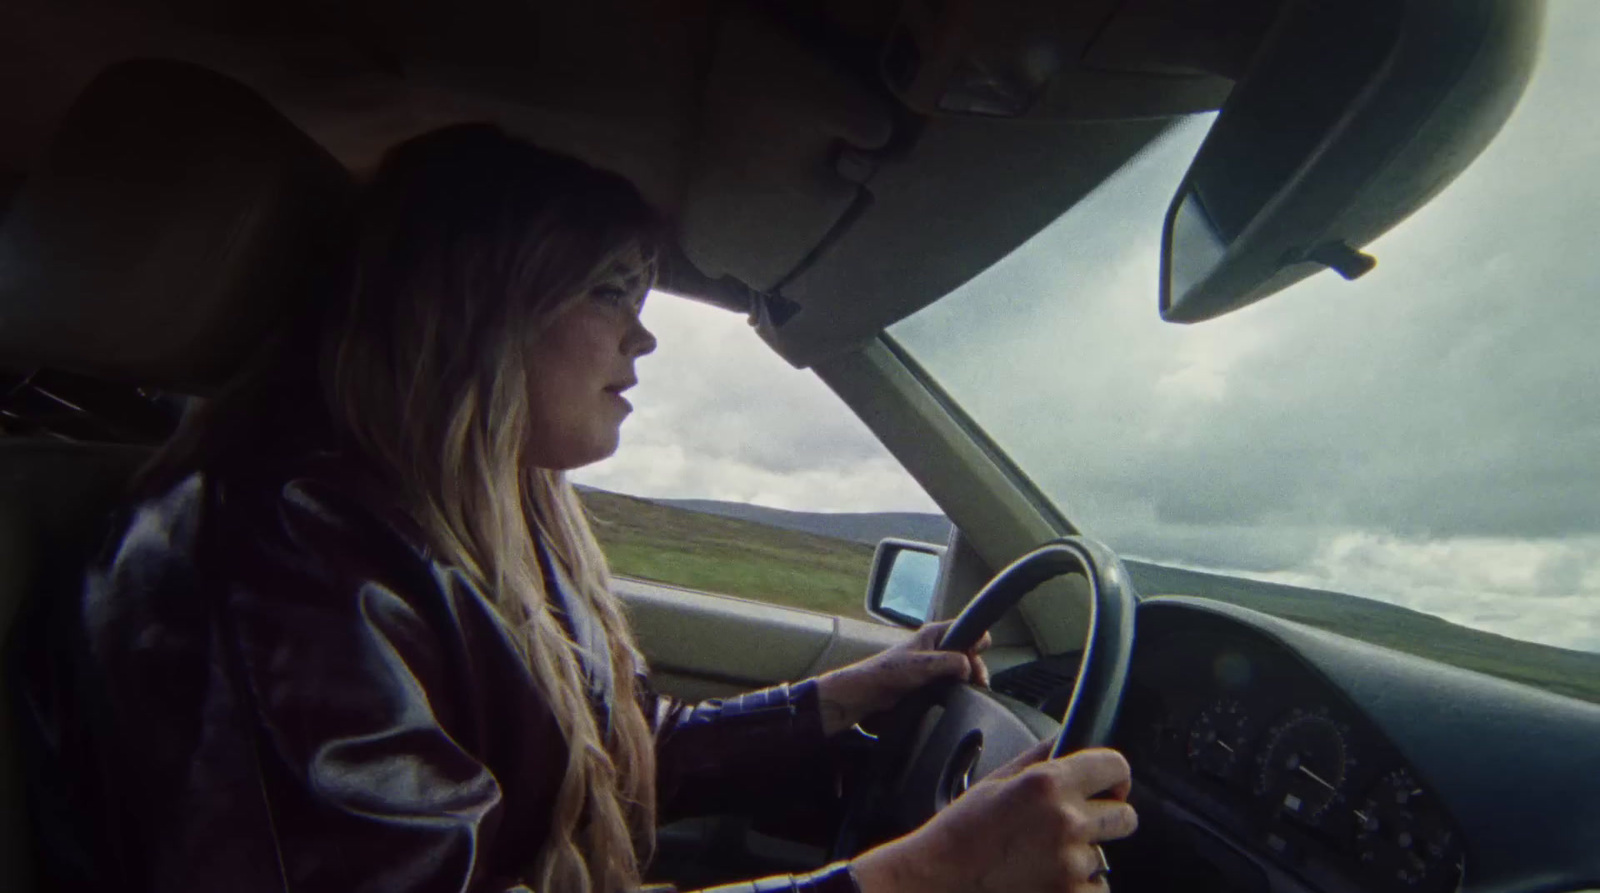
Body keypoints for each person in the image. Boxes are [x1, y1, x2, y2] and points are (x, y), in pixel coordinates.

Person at [15, 124, 1137, 893]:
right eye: (610, 292)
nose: (642, 338)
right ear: (475, 308)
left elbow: (600, 750)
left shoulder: (465, 514)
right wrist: (913, 873)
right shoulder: (278, 553)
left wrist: (840, 695)